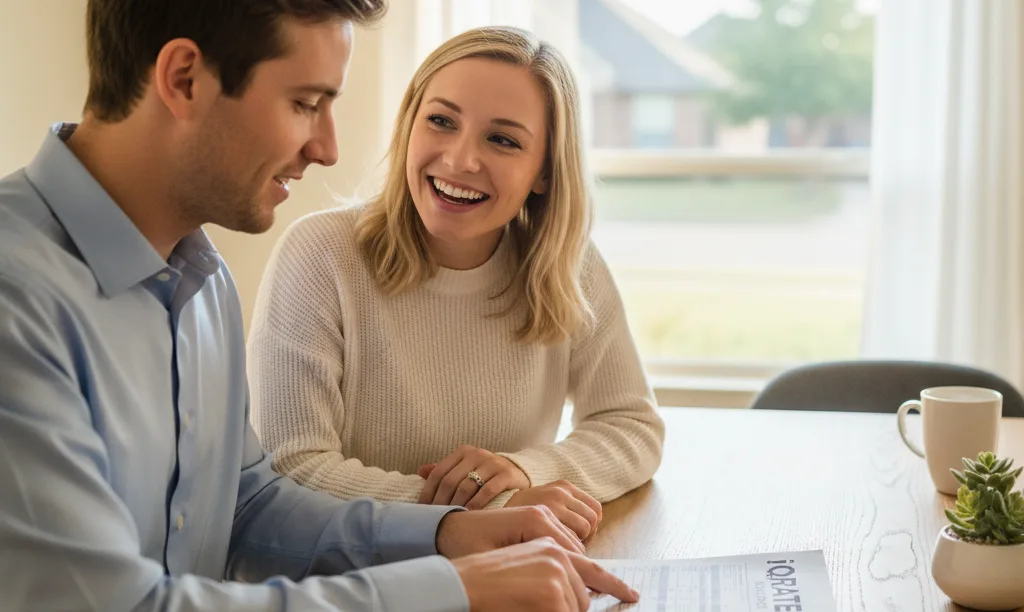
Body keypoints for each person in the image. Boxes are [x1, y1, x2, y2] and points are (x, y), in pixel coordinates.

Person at [0, 2, 640, 610]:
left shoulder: (201, 280)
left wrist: (449, 533)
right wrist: (454, 590)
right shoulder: (18, 300)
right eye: (306, 103)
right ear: (185, 79)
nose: (327, 147)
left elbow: (247, 503)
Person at [247, 25, 665, 542]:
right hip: (353, 577)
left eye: (503, 140)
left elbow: (632, 427)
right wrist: (486, 513)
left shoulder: (568, 264)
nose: (461, 160)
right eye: (441, 121)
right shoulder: (321, 254)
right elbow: (291, 468)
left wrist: (527, 469)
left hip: (504, 570)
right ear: (409, 128)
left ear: (545, 172)